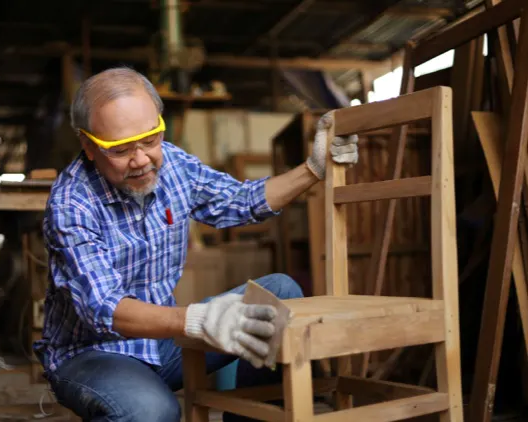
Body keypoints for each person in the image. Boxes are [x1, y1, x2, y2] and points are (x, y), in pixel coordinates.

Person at [34, 67, 358, 422]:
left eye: (150, 139)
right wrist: (196, 319)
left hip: (163, 342)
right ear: (89, 145)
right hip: (92, 353)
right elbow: (105, 308)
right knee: (152, 412)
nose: (141, 159)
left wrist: (313, 168)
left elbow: (240, 200)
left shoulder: (173, 163)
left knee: (280, 293)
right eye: (122, 149)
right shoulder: (71, 204)